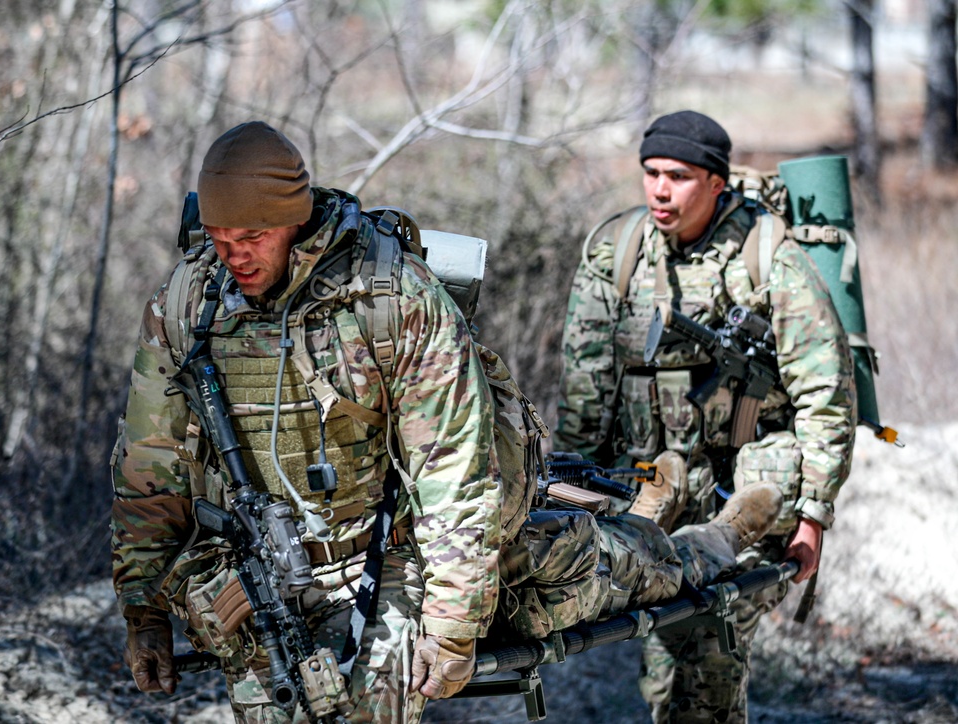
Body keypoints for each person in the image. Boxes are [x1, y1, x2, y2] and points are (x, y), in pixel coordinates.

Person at [110, 120, 788, 724]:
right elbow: (148, 468)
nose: (235, 256)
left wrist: (454, 626)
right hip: (266, 564)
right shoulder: (191, 301)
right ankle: (636, 513)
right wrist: (142, 613)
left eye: (253, 236)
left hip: (399, 547)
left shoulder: (391, 298)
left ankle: (705, 540)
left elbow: (455, 474)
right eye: (221, 238)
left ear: (295, 218)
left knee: (596, 575)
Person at [554, 110, 857, 722]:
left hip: (748, 499)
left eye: (681, 176)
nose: (660, 190)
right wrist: (566, 500)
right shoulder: (616, 254)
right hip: (645, 490)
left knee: (709, 648)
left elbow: (825, 390)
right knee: (665, 664)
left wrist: (814, 514)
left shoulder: (768, 257)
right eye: (651, 173)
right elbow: (584, 393)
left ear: (717, 183)